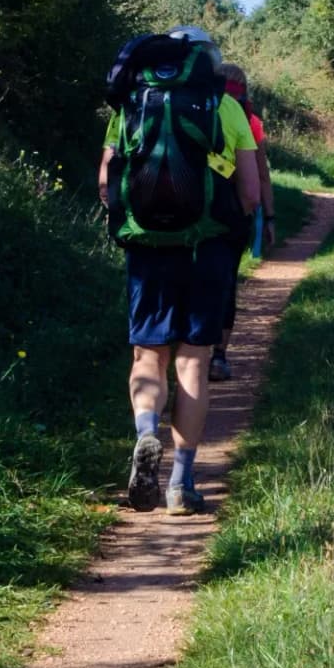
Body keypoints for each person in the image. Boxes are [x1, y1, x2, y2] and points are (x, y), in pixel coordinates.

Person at [98, 27, 264, 515]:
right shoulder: (224, 106)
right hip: (208, 247)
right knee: (193, 361)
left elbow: (107, 183)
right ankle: (180, 483)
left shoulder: (131, 102)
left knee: (148, 356)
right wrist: (238, 231)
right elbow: (250, 193)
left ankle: (146, 432)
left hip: (148, 247)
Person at [210, 63, 276, 383]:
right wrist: (268, 217)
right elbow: (261, 176)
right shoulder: (250, 121)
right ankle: (218, 356)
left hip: (193, 210)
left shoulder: (193, 109)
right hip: (233, 214)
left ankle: (181, 354)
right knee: (225, 281)